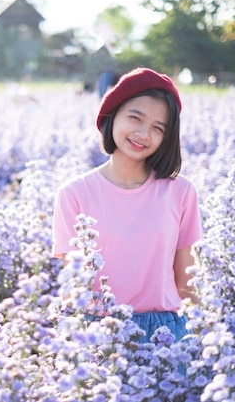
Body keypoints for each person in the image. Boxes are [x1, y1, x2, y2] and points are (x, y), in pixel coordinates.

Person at [52, 67, 202, 343]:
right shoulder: (73, 194)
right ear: (112, 116)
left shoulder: (181, 191)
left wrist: (197, 341)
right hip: (97, 332)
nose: (144, 133)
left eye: (158, 128)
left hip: (166, 332)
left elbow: (187, 283)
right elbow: (73, 287)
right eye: (135, 118)